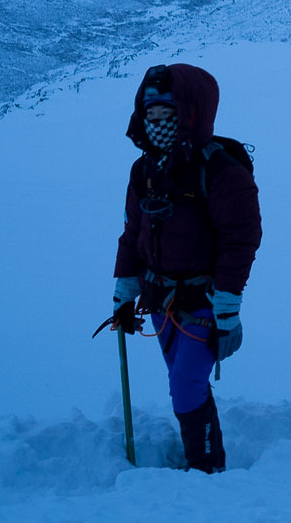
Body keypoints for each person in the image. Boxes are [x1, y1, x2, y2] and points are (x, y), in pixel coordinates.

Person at [106, 63, 262, 474]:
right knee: (182, 379)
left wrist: (228, 309)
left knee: (185, 384)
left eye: (167, 115)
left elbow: (239, 241)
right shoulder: (144, 171)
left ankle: (206, 467)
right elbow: (133, 234)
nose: (157, 124)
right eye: (151, 115)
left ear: (190, 114)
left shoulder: (220, 171)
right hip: (159, 300)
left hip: (203, 301)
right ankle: (206, 459)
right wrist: (125, 295)